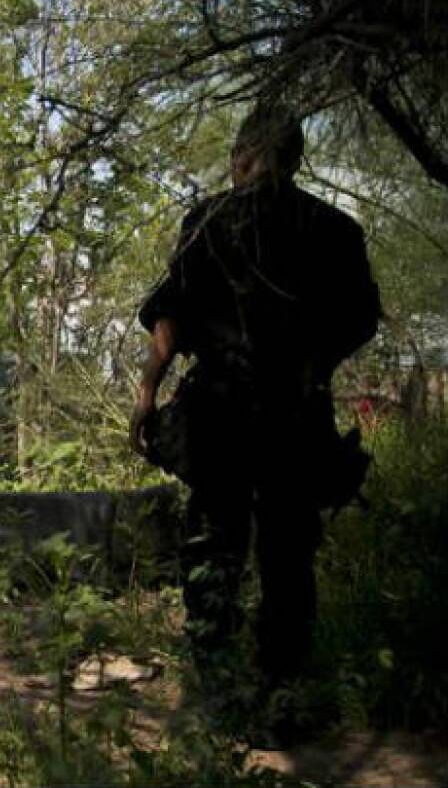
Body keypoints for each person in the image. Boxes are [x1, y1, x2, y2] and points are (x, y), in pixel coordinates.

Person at [129, 103, 380, 727]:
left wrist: (146, 396)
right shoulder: (334, 230)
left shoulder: (206, 220)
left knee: (215, 548)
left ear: (241, 155)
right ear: (296, 158)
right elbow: (359, 320)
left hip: (220, 419)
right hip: (295, 420)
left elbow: (169, 321)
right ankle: (283, 693)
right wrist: (311, 365)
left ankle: (217, 694)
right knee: (288, 556)